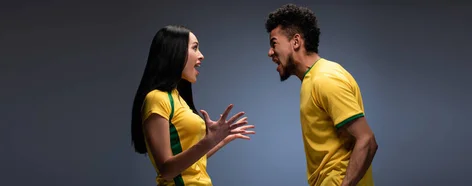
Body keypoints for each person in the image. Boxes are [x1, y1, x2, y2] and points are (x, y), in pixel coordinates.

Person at [264, 4, 379, 186]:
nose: (270, 52)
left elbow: (367, 140)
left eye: (274, 43)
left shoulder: (325, 78)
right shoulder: (311, 80)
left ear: (296, 42)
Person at [130, 25, 256, 186]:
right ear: (175, 52)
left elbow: (189, 163)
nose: (201, 55)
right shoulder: (156, 98)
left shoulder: (177, 98)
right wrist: (209, 141)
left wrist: (220, 140)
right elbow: (167, 171)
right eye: (195, 48)